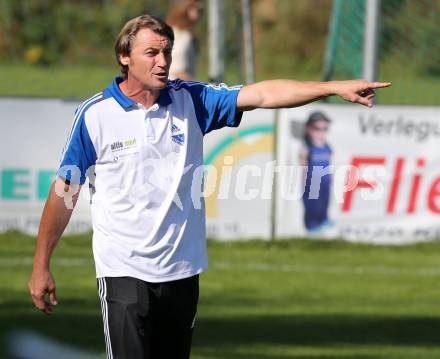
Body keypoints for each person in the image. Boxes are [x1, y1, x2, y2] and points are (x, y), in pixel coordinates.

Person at [28, 13, 390, 359]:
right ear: (125, 56)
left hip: (182, 271)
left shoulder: (192, 100)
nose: (162, 61)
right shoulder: (96, 115)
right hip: (123, 271)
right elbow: (65, 191)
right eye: (151, 52)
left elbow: (262, 94)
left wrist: (332, 88)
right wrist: (41, 264)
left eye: (166, 52)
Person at [300, 111, 333, 233]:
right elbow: (303, 165)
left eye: (325, 129)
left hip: (325, 181)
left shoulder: (327, 146)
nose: (321, 132)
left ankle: (323, 218)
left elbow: (329, 162)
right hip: (312, 182)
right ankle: (312, 225)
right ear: (308, 129)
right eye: (317, 129)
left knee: (325, 201)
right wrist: (303, 182)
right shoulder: (307, 148)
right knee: (312, 205)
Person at [166, 0, 203, 80]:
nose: (200, 9)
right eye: (195, 7)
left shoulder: (185, 33)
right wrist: (200, 88)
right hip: (178, 87)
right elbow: (178, 70)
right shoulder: (182, 36)